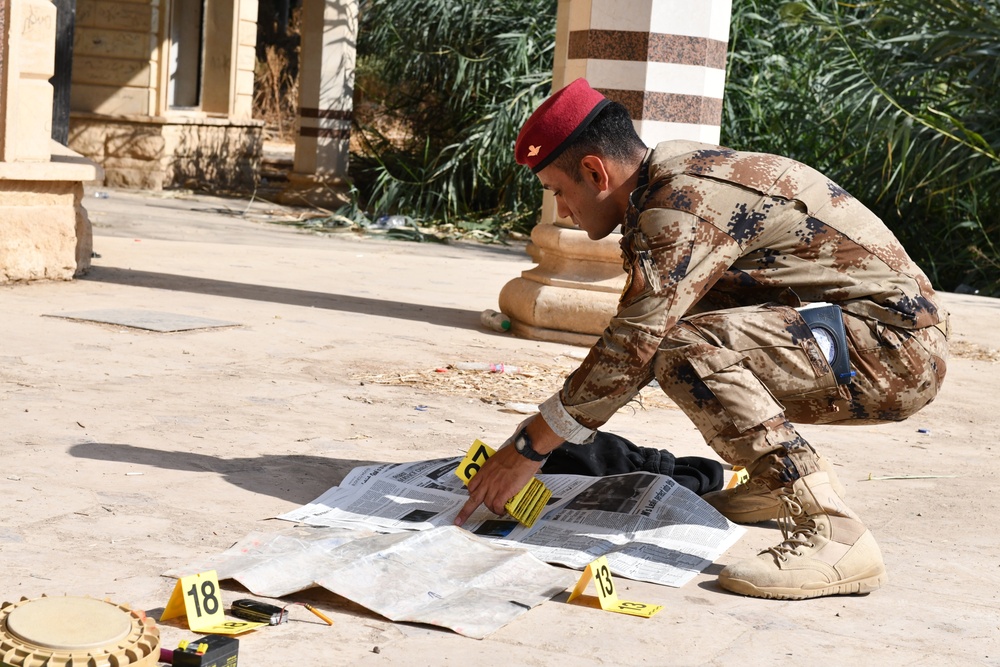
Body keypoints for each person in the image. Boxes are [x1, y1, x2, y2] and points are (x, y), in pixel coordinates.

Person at [454, 78, 949, 600]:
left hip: (894, 349)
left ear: (595, 171)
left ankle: (834, 530)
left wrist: (530, 447)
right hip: (859, 337)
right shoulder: (665, 188)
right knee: (683, 338)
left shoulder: (680, 200)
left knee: (678, 346)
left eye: (558, 191)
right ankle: (771, 486)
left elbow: (639, 341)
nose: (562, 211)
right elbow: (639, 338)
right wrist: (547, 434)